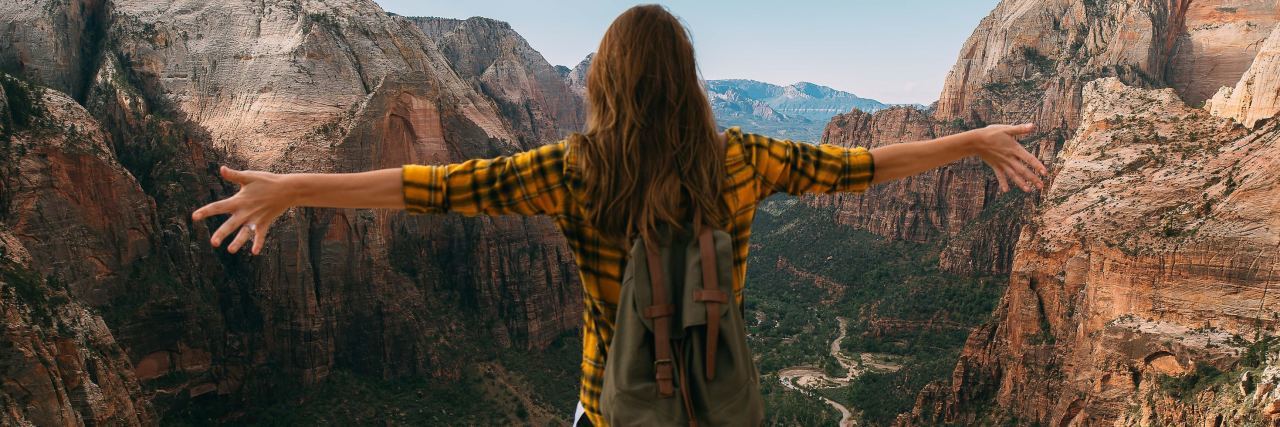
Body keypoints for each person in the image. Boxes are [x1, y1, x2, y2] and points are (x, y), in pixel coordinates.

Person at [191, 4, 1047, 426]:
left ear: (603, 86)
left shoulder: (575, 170)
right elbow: (860, 168)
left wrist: (297, 187)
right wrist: (967, 140)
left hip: (613, 409)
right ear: (687, 80)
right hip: (719, 404)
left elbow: (430, 188)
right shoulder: (741, 159)